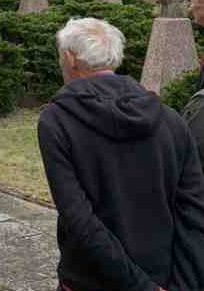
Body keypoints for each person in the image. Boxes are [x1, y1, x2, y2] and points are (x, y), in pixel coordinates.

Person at [39, 17, 204, 291]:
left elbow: (80, 220)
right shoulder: (170, 119)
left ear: (69, 58)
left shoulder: (56, 121)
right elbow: (194, 211)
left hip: (90, 279)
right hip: (163, 275)